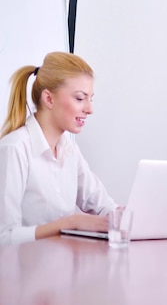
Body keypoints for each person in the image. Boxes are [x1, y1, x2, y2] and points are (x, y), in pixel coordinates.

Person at [0, 52, 116, 245]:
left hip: (62, 270)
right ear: (49, 99)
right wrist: (69, 223)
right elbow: (3, 238)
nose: (89, 109)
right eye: (80, 98)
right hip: (23, 273)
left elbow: (104, 207)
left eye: (90, 99)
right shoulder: (14, 150)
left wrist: (128, 217)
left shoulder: (70, 151)